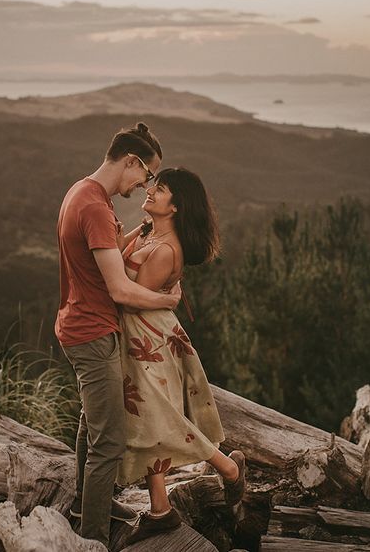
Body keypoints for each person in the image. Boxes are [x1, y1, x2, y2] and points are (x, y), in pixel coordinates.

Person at [55, 122, 181, 548]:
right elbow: (120, 288)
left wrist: (140, 233)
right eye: (145, 176)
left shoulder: (83, 192)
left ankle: (87, 505)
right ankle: (90, 538)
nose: (144, 185)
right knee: (108, 442)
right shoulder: (93, 206)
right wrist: (167, 301)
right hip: (92, 332)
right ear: (130, 160)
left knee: (91, 424)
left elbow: (104, 248)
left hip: (79, 324)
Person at [117, 167, 246, 543]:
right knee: (148, 421)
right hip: (141, 340)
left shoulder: (164, 250)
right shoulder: (149, 233)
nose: (152, 192)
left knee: (157, 419)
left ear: (175, 207)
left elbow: (126, 297)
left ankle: (228, 468)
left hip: (149, 342)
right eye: (153, 187)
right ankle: (160, 509)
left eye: (161, 190)